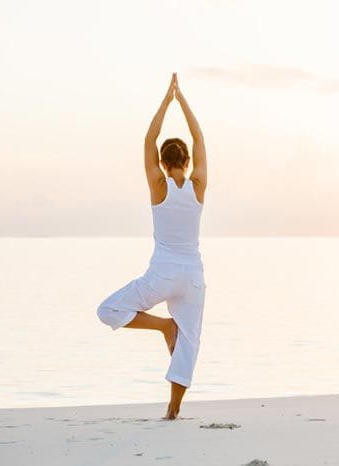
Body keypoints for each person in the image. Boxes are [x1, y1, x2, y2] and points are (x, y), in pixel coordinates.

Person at [96, 72, 208, 420]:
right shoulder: (198, 184)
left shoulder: (158, 185)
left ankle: (163, 326)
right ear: (188, 162)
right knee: (189, 342)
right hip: (192, 275)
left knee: (109, 310)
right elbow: (199, 137)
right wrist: (183, 100)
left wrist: (167, 98)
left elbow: (149, 139)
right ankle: (173, 411)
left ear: (162, 162)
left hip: (162, 274)